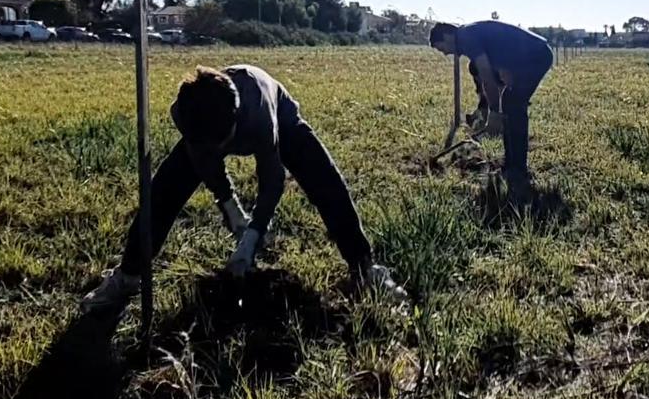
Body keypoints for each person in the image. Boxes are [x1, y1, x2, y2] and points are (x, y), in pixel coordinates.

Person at [81, 65, 404, 313]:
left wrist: (252, 235)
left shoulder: (259, 113)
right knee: (161, 194)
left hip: (284, 120)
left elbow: (272, 178)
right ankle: (127, 276)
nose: (218, 148)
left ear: (234, 121)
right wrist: (231, 208)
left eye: (220, 142)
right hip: (212, 126)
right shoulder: (187, 113)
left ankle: (364, 269)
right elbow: (204, 160)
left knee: (327, 184)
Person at [430, 21, 554, 200]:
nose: (446, 53)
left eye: (442, 48)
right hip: (526, 58)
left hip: (536, 56)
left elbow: (487, 76)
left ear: (448, 36)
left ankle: (518, 169)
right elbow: (495, 67)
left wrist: (495, 113)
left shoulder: (466, 37)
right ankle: (511, 164)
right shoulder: (467, 35)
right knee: (510, 102)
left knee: (514, 105)